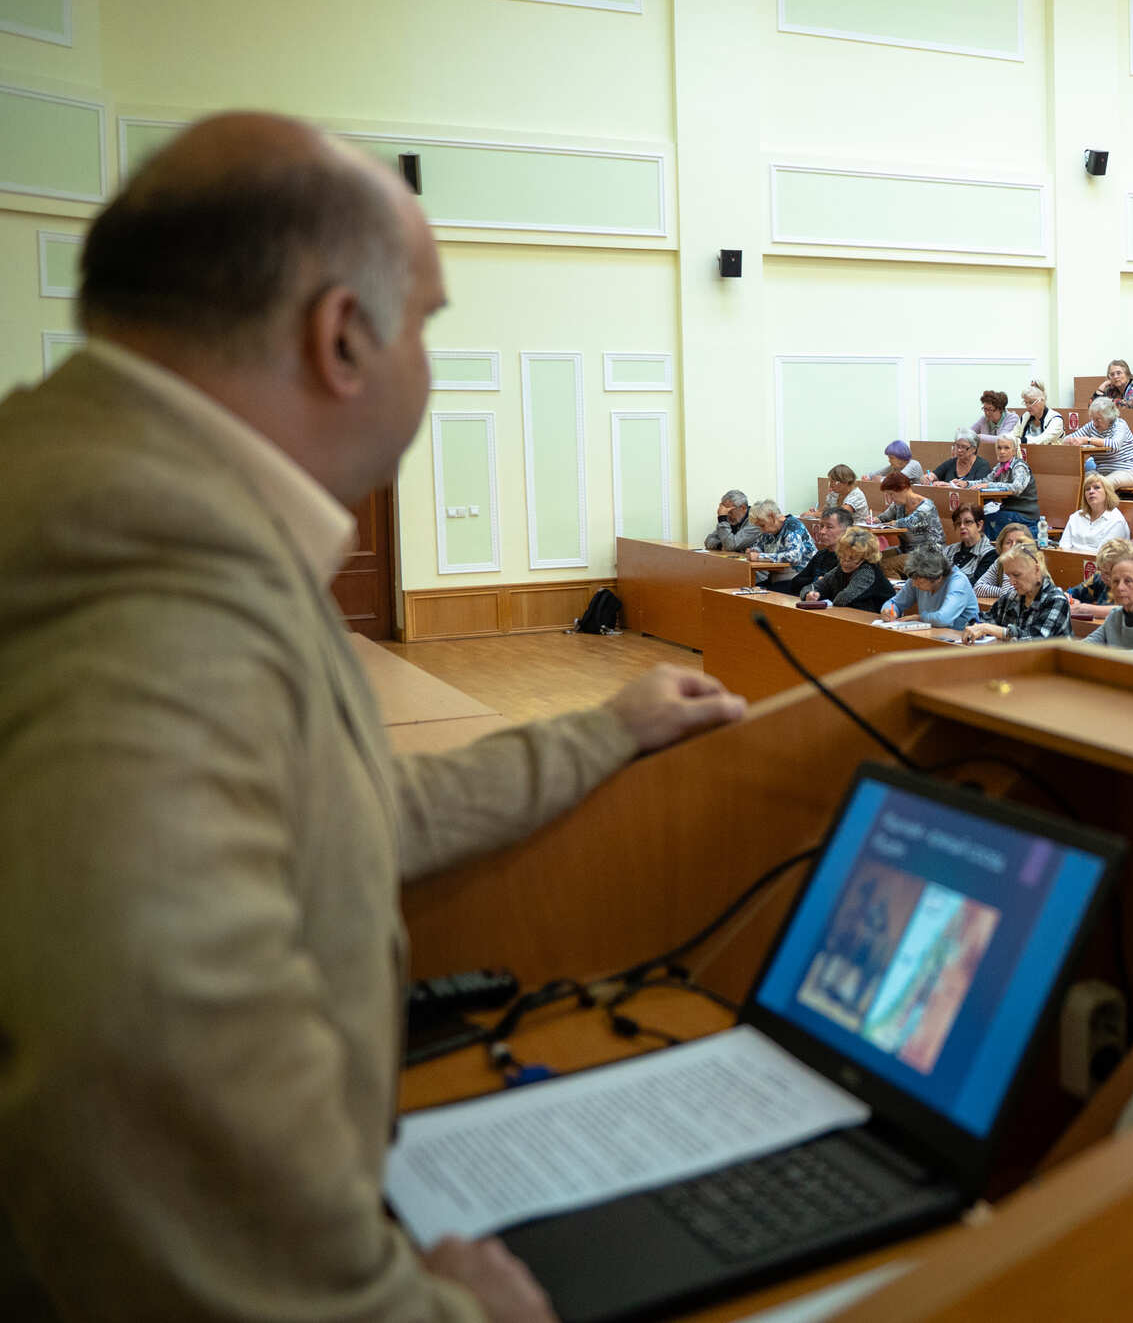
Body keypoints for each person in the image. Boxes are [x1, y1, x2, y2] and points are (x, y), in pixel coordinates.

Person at [0, 113, 765, 1321]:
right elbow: (147, 1106)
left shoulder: (99, 486)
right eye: (427, 324)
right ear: (344, 335)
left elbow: (332, 819)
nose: (428, 363)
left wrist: (602, 731)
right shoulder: (149, 574)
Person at [967, 541, 1074, 642]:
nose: (1011, 582)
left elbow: (1036, 640)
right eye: (1008, 576)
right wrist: (976, 626)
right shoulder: (1011, 597)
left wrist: (992, 630)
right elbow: (983, 620)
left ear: (1037, 570)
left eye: (1017, 575)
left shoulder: (1057, 600)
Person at [878, 542, 978, 630]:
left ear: (938, 578)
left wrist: (919, 618)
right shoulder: (918, 576)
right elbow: (895, 603)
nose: (914, 584)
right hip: (933, 634)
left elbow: (943, 619)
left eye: (920, 582)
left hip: (961, 638)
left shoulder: (958, 581)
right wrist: (888, 610)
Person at [806, 524, 896, 610]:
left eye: (852, 558)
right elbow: (813, 586)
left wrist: (823, 595)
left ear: (865, 558)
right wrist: (810, 594)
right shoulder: (840, 568)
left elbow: (843, 599)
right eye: (842, 556)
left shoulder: (867, 571)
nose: (845, 562)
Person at [1069, 396, 1133, 487]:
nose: (1094, 424)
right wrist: (1071, 441)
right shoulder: (1091, 426)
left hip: (1130, 471)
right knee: (1079, 482)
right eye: (1092, 419)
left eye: (1098, 420)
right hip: (1103, 472)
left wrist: (1088, 440)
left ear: (1109, 417)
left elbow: (1114, 445)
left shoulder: (1120, 425)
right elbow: (1068, 439)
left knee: (1101, 485)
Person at [977, 434, 1043, 537]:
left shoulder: (1020, 466)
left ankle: (993, 546)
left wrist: (989, 485)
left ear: (1014, 451)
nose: (1002, 451)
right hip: (1008, 511)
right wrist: (965, 484)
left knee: (990, 521)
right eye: (999, 448)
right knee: (984, 519)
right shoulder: (999, 467)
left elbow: (1017, 488)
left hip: (1024, 514)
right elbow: (984, 482)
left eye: (1006, 448)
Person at [1059, 472, 1129, 552]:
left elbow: (1103, 555)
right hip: (1069, 559)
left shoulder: (1116, 520)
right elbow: (1063, 547)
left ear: (1107, 492)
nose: (1091, 491)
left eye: (1097, 487)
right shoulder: (1076, 516)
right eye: (1087, 489)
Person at [876, 470, 943, 553]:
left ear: (903, 488)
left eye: (891, 494)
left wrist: (893, 523)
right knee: (876, 557)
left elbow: (910, 522)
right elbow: (884, 517)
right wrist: (876, 519)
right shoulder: (899, 504)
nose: (890, 499)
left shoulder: (927, 507)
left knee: (886, 561)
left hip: (928, 554)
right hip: (905, 550)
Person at [970, 521, 1035, 597]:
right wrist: (1001, 591)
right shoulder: (999, 562)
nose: (1013, 546)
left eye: (1019, 543)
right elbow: (977, 588)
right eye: (1008, 542)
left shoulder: (1031, 566)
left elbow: (1009, 596)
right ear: (1001, 546)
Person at [943, 503, 997, 584]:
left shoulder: (990, 554)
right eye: (958, 523)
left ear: (979, 525)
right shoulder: (948, 550)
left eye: (967, 522)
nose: (962, 526)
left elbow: (976, 584)